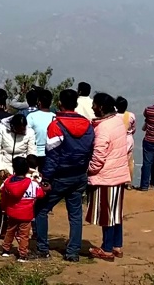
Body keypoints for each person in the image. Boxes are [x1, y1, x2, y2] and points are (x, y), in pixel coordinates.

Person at [34, 89, 95, 262]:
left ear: (60, 103)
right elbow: (91, 150)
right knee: (75, 214)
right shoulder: (88, 125)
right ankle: (73, 252)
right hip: (79, 175)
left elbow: (52, 156)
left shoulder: (56, 125)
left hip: (59, 175)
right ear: (75, 104)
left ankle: (42, 249)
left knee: (41, 209)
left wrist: (46, 178)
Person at [86, 93, 129, 261]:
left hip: (106, 176)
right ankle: (117, 245)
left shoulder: (103, 128)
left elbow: (98, 155)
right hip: (118, 174)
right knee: (116, 212)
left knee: (106, 214)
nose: (92, 108)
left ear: (101, 107)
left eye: (95, 105)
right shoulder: (117, 121)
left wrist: (89, 170)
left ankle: (107, 248)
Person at [0, 113, 35, 237]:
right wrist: (0, 168)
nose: (22, 131)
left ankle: (20, 226)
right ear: (12, 127)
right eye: (19, 129)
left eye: (23, 129)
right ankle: (2, 222)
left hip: (22, 167)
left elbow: (31, 152)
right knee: (3, 197)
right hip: (5, 165)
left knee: (21, 198)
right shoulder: (2, 129)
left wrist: (29, 170)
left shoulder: (30, 132)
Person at [0, 156, 44, 261]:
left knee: (10, 231)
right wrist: (41, 185)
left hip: (12, 212)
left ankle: (5, 250)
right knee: (24, 235)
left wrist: (4, 208)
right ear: (27, 169)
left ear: (14, 169)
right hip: (26, 214)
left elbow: (3, 196)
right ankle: (22, 255)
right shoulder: (32, 184)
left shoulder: (8, 183)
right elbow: (40, 194)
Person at [25, 89, 55, 158]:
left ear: (39, 102)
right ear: (50, 103)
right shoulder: (55, 117)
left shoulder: (31, 116)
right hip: (50, 154)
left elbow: (26, 135)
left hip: (34, 155)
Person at [115, 96, 136, 184]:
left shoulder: (113, 116)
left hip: (117, 139)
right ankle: (128, 182)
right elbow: (134, 128)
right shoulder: (130, 115)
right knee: (129, 162)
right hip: (128, 139)